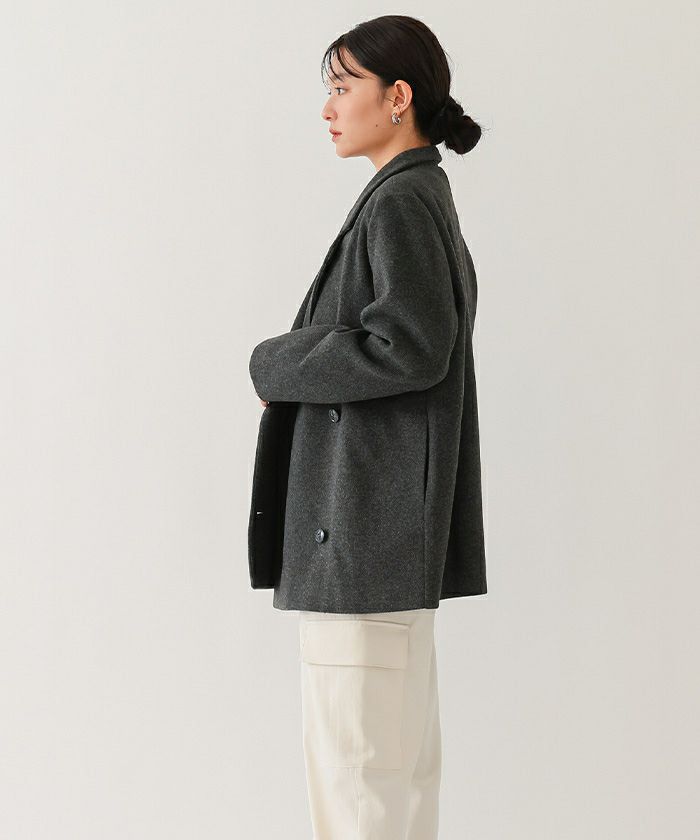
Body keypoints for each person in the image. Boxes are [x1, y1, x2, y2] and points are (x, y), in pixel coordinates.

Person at [248, 14, 486, 839]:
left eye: (343, 86)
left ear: (398, 97)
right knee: (391, 791)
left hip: (360, 547)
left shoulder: (401, 202)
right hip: (381, 550)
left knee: (360, 793)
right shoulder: (416, 195)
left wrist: (277, 363)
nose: (328, 107)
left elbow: (410, 345)